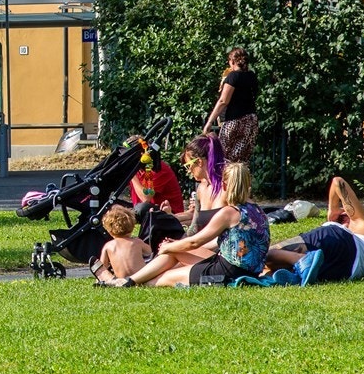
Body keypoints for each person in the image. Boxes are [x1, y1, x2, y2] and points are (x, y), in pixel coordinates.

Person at [105, 161, 270, 288]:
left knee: (168, 277)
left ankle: (129, 283)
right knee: (174, 252)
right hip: (248, 269)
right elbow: (218, 242)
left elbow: (195, 241)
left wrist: (170, 247)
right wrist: (176, 246)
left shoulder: (229, 212)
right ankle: (129, 280)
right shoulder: (257, 210)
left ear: (226, 185)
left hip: (228, 271)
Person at [266, 176, 364, 282]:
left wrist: (333, 209)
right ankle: (281, 275)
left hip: (337, 240)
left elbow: (338, 182)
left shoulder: (360, 224)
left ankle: (301, 259)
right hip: (342, 271)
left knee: (266, 254)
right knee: (277, 264)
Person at [202, 46, 260, 162]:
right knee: (241, 161)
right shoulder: (252, 76)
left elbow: (223, 101)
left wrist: (209, 122)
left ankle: (224, 180)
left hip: (235, 122)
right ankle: (239, 180)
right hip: (251, 121)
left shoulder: (233, 76)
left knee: (223, 157)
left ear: (232, 61)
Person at [93, 205, 152, 284]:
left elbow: (103, 267)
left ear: (109, 230)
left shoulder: (108, 246)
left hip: (121, 279)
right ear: (132, 226)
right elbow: (151, 253)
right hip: (140, 278)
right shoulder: (137, 242)